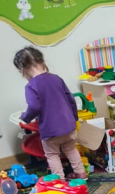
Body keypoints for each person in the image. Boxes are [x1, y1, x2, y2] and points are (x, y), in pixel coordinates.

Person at [13, 46, 85, 180]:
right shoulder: (56, 78)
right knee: (70, 149)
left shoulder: (31, 86)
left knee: (52, 155)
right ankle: (81, 173)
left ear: (22, 70)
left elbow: (34, 107)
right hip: (68, 125)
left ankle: (59, 180)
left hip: (50, 130)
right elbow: (71, 100)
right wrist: (74, 118)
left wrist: (25, 117)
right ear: (42, 62)